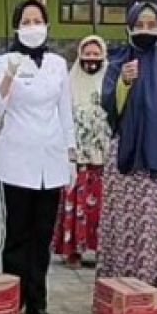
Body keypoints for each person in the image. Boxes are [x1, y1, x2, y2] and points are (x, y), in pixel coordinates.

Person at [0, 0, 73, 314]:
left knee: (42, 233)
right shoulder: (5, 60)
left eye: (38, 20)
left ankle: (37, 299)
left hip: (50, 159)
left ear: (47, 25)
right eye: (27, 20)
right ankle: (12, 296)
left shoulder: (57, 63)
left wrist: (71, 152)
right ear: (16, 27)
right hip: (17, 157)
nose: (33, 25)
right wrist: (8, 78)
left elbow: (65, 110)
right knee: (18, 232)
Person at [98, 1, 157, 286]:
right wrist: (123, 85)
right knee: (120, 226)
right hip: (123, 163)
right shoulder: (118, 64)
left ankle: (148, 296)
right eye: (139, 25)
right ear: (128, 27)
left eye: (152, 25)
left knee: (151, 229)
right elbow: (110, 112)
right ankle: (116, 294)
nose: (145, 30)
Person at [55, 35, 110, 268]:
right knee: (74, 202)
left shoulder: (110, 80)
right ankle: (72, 251)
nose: (91, 59)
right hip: (76, 155)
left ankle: (100, 250)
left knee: (99, 205)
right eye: (86, 54)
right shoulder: (70, 81)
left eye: (96, 55)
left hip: (102, 155)